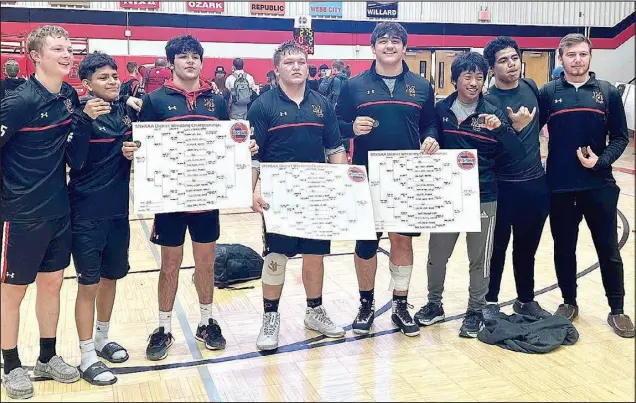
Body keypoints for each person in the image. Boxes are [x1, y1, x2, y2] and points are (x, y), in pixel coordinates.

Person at [126, 35, 258, 361]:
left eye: (195, 57)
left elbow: (230, 143)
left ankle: (206, 321)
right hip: (170, 200)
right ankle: (163, 327)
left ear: (201, 62)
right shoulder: (155, 101)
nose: (189, 62)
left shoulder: (217, 102)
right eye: (183, 57)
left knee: (206, 264)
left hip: (206, 198)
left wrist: (244, 149)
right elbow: (145, 150)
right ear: (171, 63)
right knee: (169, 266)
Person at [335, 22, 439, 337]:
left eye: (396, 41)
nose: (389, 46)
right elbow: (335, 126)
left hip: (407, 179)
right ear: (373, 48)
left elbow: (430, 123)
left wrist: (431, 138)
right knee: (366, 243)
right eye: (383, 41)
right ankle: (366, 305)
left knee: (402, 239)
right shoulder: (353, 86)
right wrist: (351, 127)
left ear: (405, 48)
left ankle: (400, 305)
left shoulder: (422, 86)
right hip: (366, 178)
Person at [413, 52, 525, 338]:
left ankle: (475, 310)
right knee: (437, 255)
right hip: (446, 195)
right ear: (454, 80)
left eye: (479, 77)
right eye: (467, 76)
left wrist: (501, 130)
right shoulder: (441, 110)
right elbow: (429, 135)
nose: (474, 83)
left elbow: (516, 152)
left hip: (484, 195)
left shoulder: (494, 111)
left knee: (480, 259)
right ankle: (434, 304)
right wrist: (430, 140)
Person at [0, 25, 85, 400]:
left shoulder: (68, 95)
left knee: (52, 286)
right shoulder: (18, 102)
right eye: (57, 49)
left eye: (70, 48)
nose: (68, 55)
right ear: (35, 56)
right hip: (20, 214)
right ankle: (11, 365)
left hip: (58, 210)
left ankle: (47, 357)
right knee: (12, 293)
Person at [249, 40, 348, 351]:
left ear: (308, 67)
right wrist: (251, 189)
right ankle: (270, 318)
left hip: (315, 194)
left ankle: (314, 311)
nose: (296, 66)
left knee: (315, 256)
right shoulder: (262, 106)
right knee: (276, 257)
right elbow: (252, 154)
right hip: (279, 198)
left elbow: (335, 149)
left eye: (301, 61)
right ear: (277, 68)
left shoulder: (322, 104)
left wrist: (343, 186)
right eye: (289, 61)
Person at [537, 33, 634, 338]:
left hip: (599, 185)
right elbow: (530, 132)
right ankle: (569, 302)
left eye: (582, 54)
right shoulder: (548, 92)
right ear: (560, 58)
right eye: (571, 55)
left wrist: (601, 161)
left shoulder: (607, 93)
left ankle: (617, 309)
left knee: (607, 248)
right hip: (560, 186)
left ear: (590, 57)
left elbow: (621, 137)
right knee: (564, 247)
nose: (577, 60)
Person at [68, 52, 141, 386]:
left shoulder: (125, 111)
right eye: (103, 78)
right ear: (86, 84)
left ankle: (101, 337)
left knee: (112, 278)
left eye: (114, 76)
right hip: (86, 213)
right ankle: (85, 356)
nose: (112, 82)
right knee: (89, 283)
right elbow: (76, 163)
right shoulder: (77, 116)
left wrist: (134, 151)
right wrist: (83, 121)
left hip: (117, 212)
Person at [481, 36, 552, 318]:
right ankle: (489, 302)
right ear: (491, 68)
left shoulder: (531, 87)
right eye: (503, 61)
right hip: (501, 188)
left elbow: (540, 122)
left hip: (534, 185)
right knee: (495, 251)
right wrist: (516, 128)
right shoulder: (487, 102)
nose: (511, 65)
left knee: (526, 248)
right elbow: (489, 147)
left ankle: (525, 299)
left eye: (514, 58)